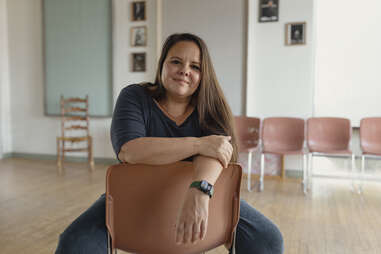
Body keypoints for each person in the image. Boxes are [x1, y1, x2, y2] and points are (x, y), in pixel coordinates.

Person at [55, 33, 284, 254]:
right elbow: (131, 150)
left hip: (205, 193)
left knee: (268, 239)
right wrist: (198, 144)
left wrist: (200, 190)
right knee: (74, 244)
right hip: (135, 195)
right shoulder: (134, 96)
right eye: (176, 61)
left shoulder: (212, 108)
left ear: (204, 75)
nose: (185, 70)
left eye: (195, 66)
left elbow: (217, 152)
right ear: (162, 65)